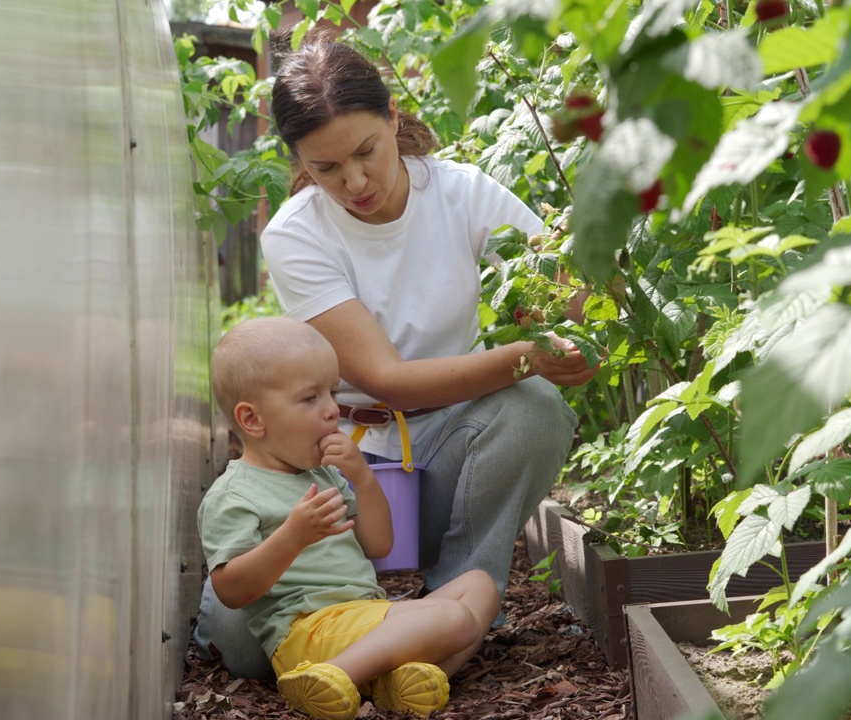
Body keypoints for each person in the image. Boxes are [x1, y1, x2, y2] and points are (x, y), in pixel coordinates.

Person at [193, 33, 598, 678]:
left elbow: (569, 298)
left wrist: (584, 319)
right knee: (243, 647)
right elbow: (388, 381)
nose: (354, 182)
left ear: (391, 119)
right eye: (326, 169)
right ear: (298, 159)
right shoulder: (296, 234)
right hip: (324, 458)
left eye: (365, 153)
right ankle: (418, 641)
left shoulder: (463, 194)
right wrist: (527, 354)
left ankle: (450, 601)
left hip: (445, 445)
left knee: (533, 410)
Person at [199, 316, 500, 720]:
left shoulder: (322, 474)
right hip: (308, 633)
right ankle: (331, 674)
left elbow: (379, 546)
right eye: (310, 398)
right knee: (454, 619)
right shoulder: (234, 493)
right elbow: (231, 590)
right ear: (252, 419)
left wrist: (362, 478)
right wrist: (292, 537)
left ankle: (387, 685)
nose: (331, 411)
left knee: (479, 585)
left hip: (357, 618)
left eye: (333, 392)